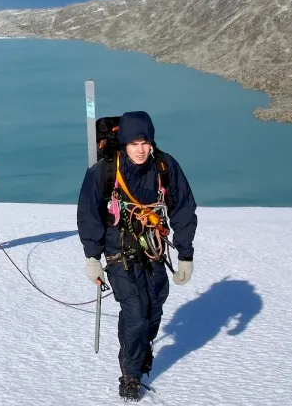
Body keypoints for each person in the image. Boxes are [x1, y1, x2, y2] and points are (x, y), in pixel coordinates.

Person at [76, 111, 197, 402]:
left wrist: (185, 254)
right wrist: (93, 257)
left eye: (144, 142)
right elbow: (89, 214)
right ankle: (130, 375)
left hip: (153, 248)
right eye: (133, 143)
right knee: (136, 313)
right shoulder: (104, 172)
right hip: (118, 251)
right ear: (123, 144)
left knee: (154, 307)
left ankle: (141, 347)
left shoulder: (165, 166)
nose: (140, 149)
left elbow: (182, 208)